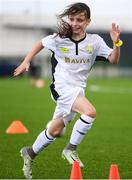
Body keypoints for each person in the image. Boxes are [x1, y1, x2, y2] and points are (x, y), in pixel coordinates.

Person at [14, 2, 123, 179]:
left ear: (88, 21)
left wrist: (116, 42)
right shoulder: (59, 38)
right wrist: (26, 61)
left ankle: (29, 152)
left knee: (55, 131)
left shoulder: (95, 41)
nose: (74, 23)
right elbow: (40, 43)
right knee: (90, 112)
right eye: (71, 19)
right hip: (61, 87)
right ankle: (70, 149)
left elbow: (113, 59)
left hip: (78, 90)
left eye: (79, 20)